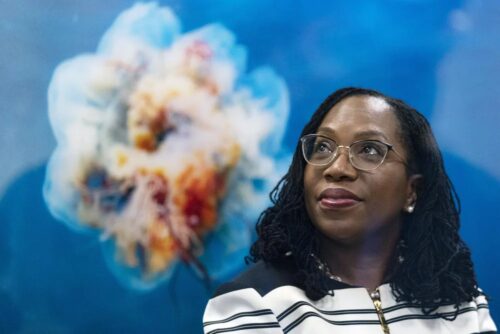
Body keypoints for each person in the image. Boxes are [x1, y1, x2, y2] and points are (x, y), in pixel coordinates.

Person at [202, 87, 497, 333]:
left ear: (412, 190)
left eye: (369, 149)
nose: (336, 168)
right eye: (323, 148)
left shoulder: (458, 301)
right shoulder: (254, 303)